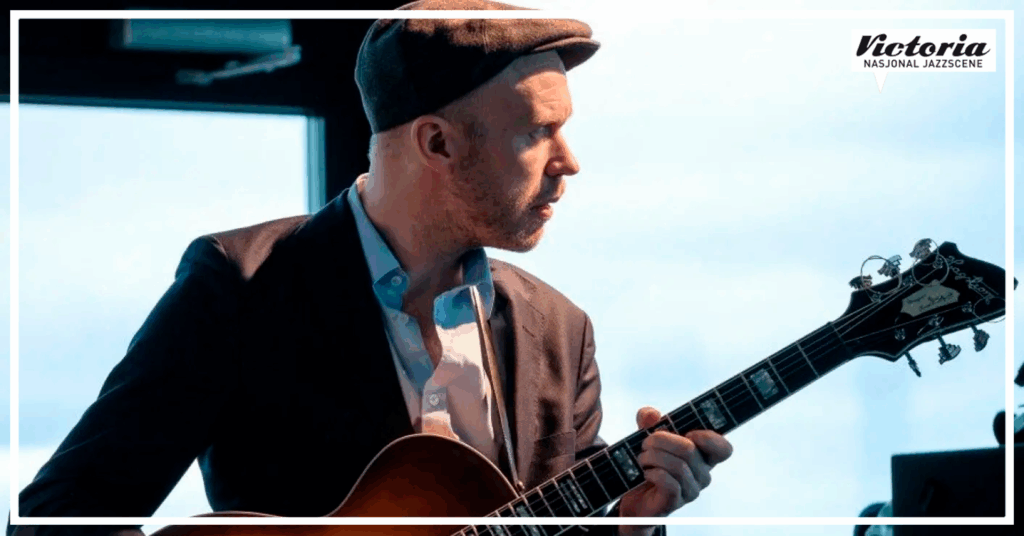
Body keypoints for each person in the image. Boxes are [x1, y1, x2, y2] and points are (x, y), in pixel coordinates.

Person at [10, 1, 733, 535]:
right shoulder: (240, 286)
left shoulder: (561, 331)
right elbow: (59, 519)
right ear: (437, 144)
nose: (568, 162)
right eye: (538, 132)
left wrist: (631, 523)